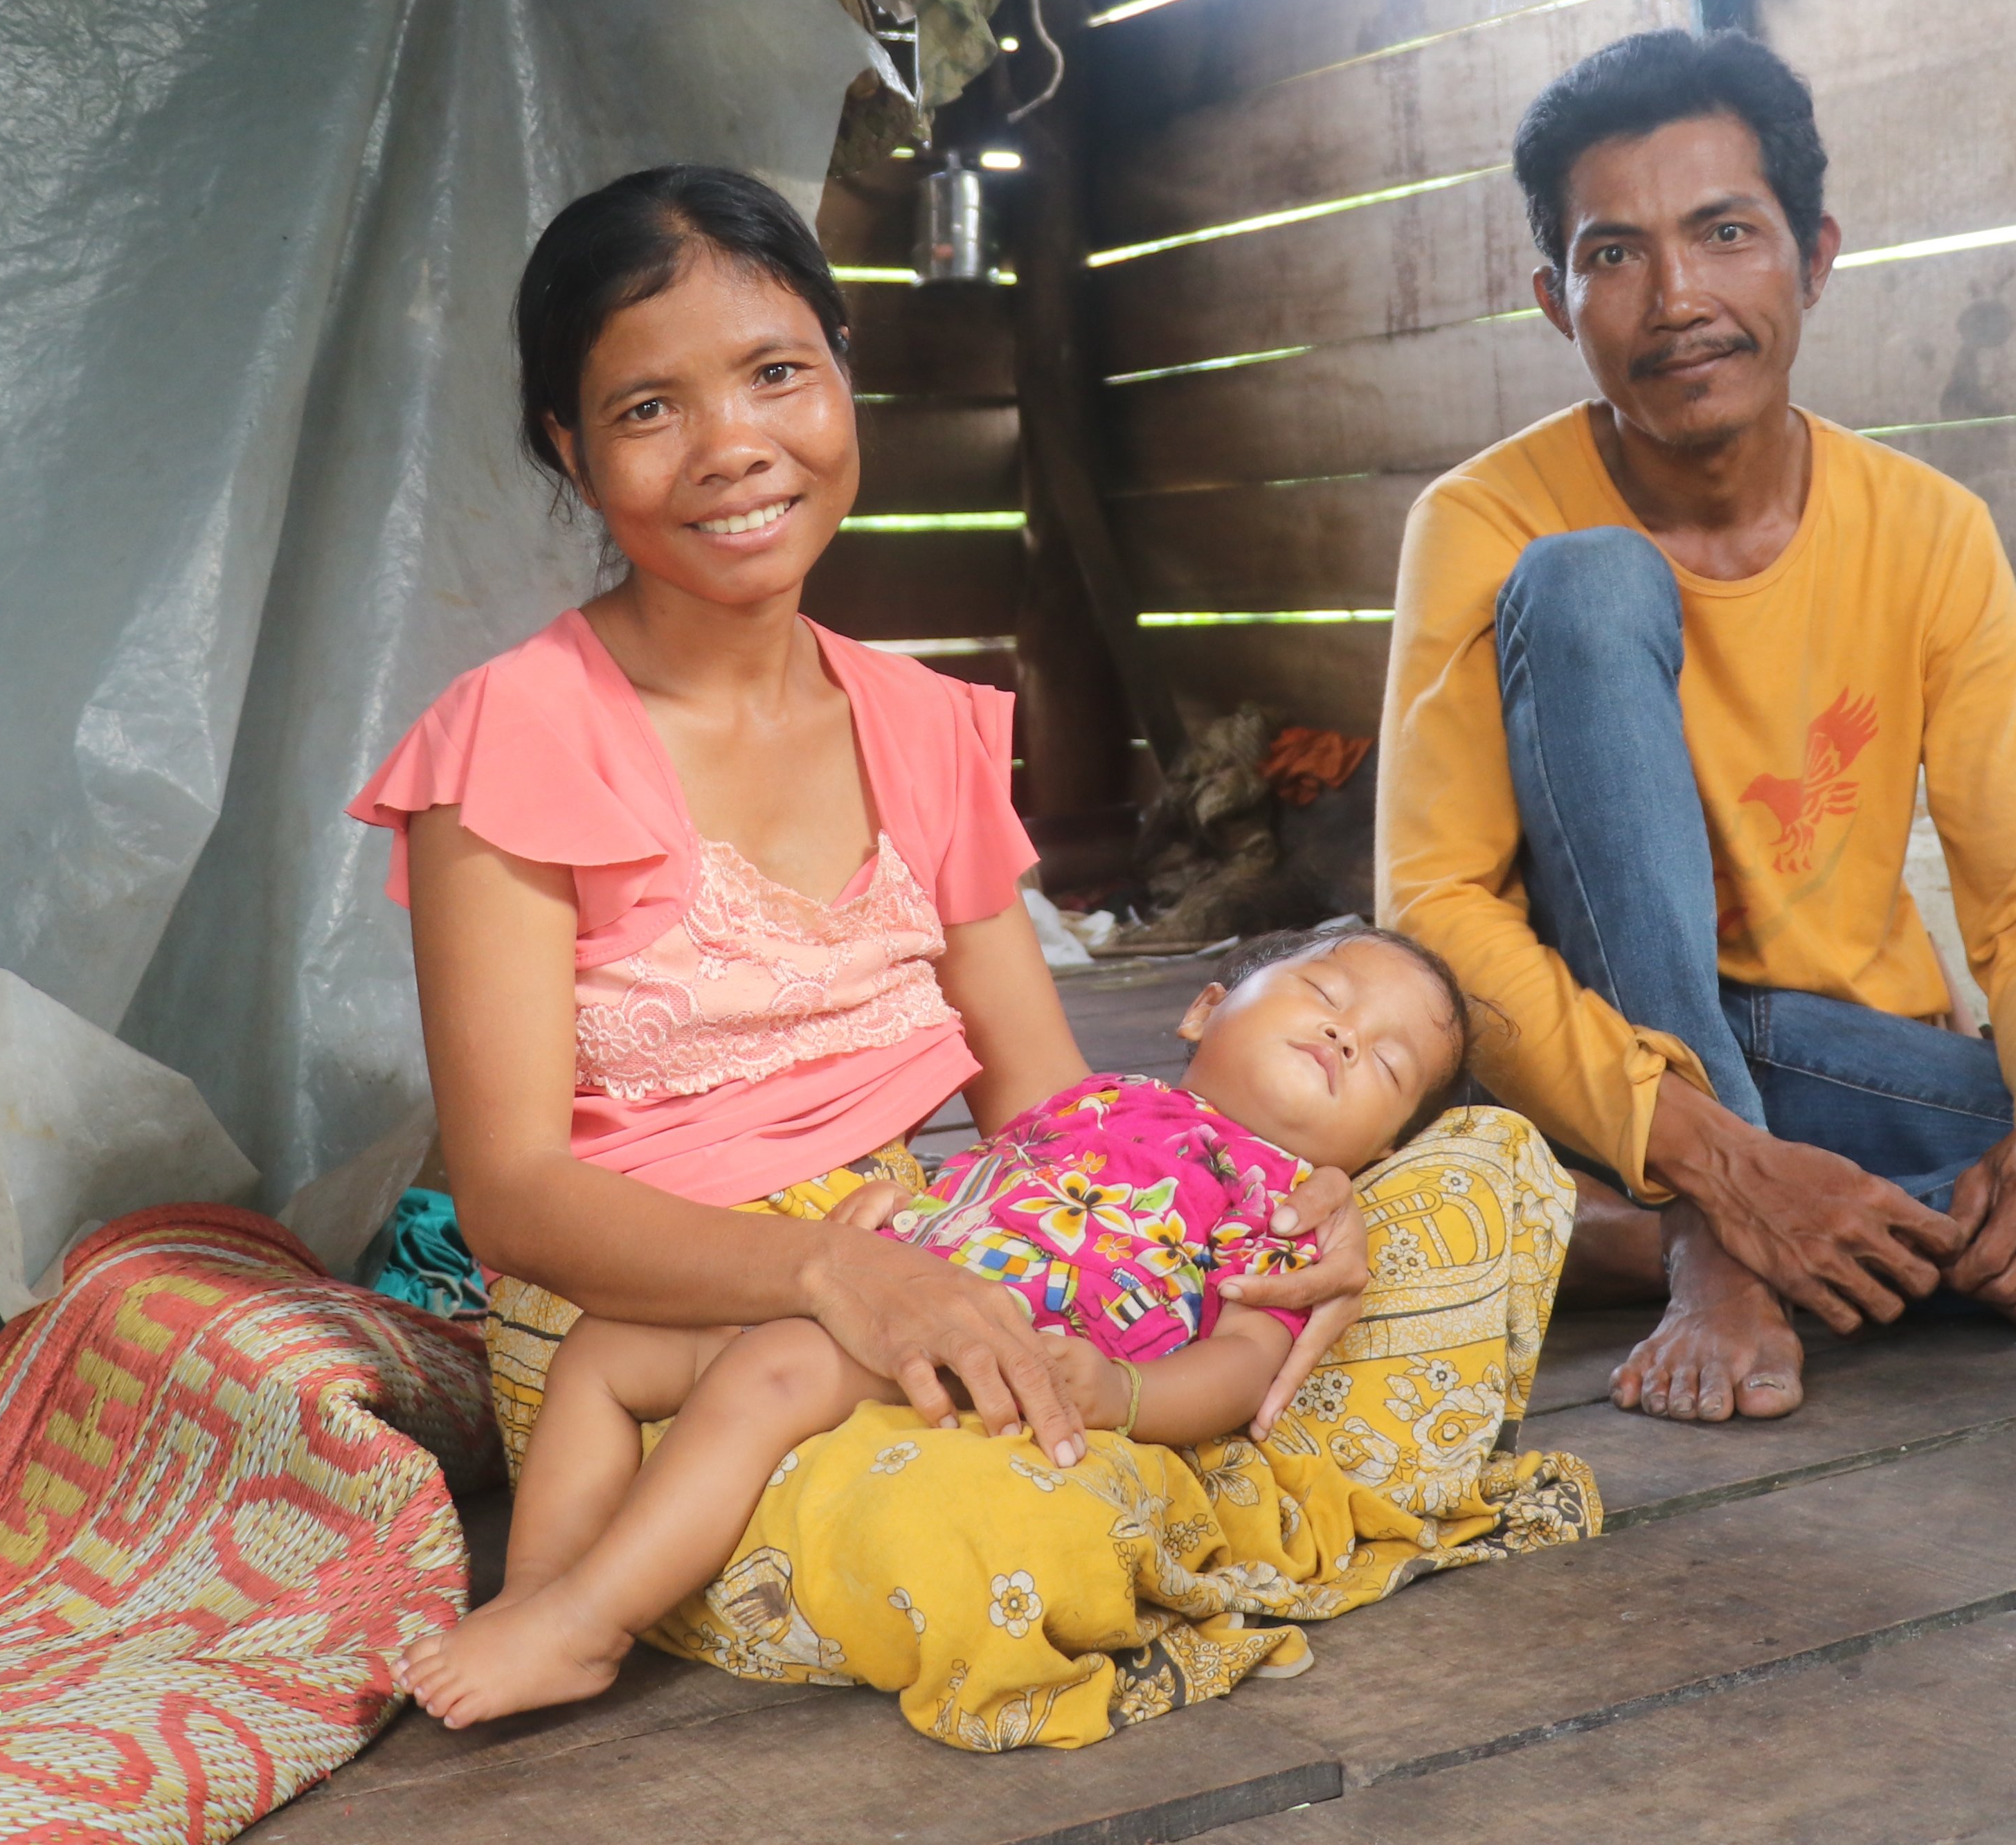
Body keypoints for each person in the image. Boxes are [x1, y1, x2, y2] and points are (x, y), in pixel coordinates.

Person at [356, 163, 1596, 1752]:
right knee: (1016, 1539)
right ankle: (642, 1582)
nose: (735, 444)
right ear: (570, 448)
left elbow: (1054, 1116)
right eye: (649, 406)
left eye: (777, 371)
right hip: (658, 1337)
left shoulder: (925, 725)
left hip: (948, 1255)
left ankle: (1143, 1438)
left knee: (1484, 1170)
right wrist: (827, 1273)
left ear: (843, 374)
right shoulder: (510, 739)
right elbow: (514, 1190)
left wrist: (1264, 1205)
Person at [1383, 32, 2016, 1427]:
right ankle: (1712, 1227)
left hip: (1824, 1053)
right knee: (1586, 582)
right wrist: (1712, 1160)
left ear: (1815, 254)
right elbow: (1434, 905)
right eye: (1614, 254)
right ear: (1556, 298)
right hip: (1589, 1062)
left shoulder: (1927, 529)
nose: (1677, 298)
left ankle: (1654, 1238)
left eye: (1726, 232)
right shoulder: (1483, 518)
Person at [400, 923, 1469, 1727]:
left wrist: (1124, 1394)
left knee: (779, 1368)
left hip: (1000, 1351)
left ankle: (591, 1627)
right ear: (1204, 1009)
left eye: (1385, 1064)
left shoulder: (1283, 1205)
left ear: (1375, 1149)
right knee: (605, 1351)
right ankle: (538, 1586)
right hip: (902, 1287)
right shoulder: (1092, 1099)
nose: (1344, 1034)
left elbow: (1245, 1363)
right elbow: (989, 1179)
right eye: (1327, 996)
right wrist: (888, 1217)